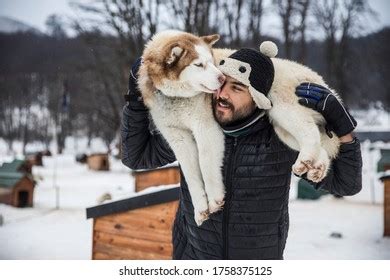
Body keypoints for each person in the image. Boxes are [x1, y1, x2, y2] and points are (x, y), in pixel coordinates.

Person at [121, 50, 362, 260]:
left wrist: (343, 126)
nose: (222, 94)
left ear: (258, 99)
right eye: (222, 83)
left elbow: (346, 184)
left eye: (236, 88)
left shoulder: (281, 139)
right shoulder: (197, 126)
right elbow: (137, 157)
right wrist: (135, 98)